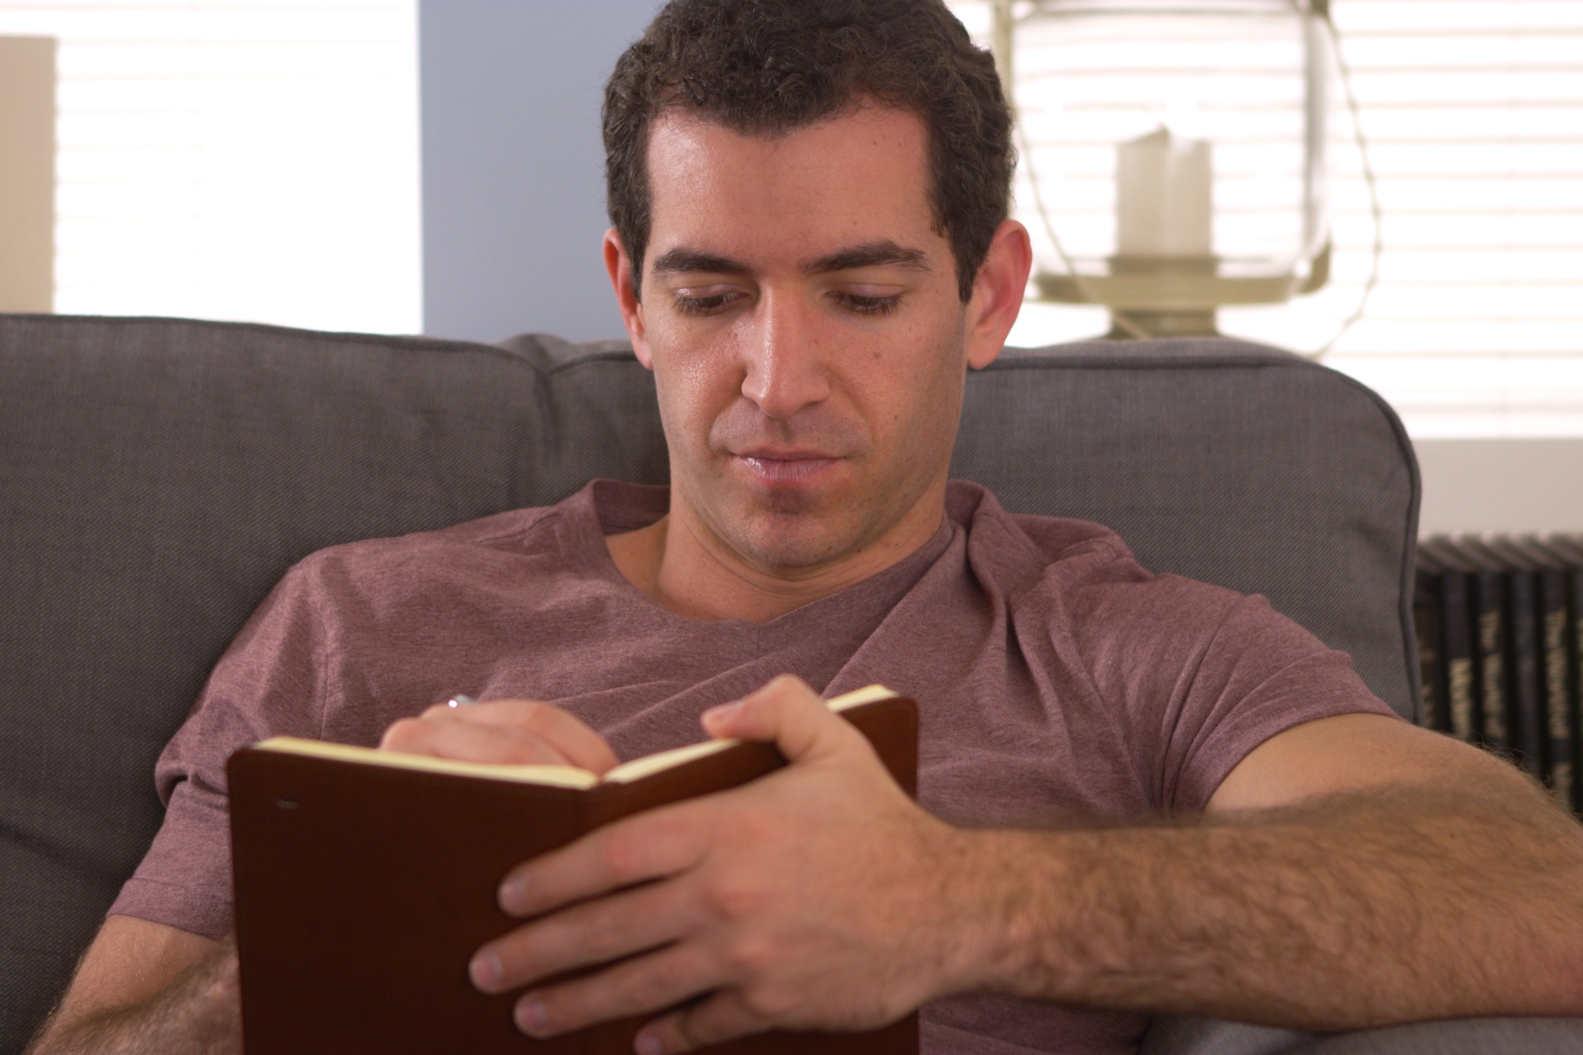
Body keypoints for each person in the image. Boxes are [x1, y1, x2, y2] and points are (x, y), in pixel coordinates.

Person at [28, 2, 1583, 1054]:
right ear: (633, 298)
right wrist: (362, 912)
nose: (777, 382)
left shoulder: (1124, 648)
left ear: (986, 294)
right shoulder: (362, 622)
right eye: (710, 296)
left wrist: (949, 904)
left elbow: (1539, 898)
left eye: (859, 294)